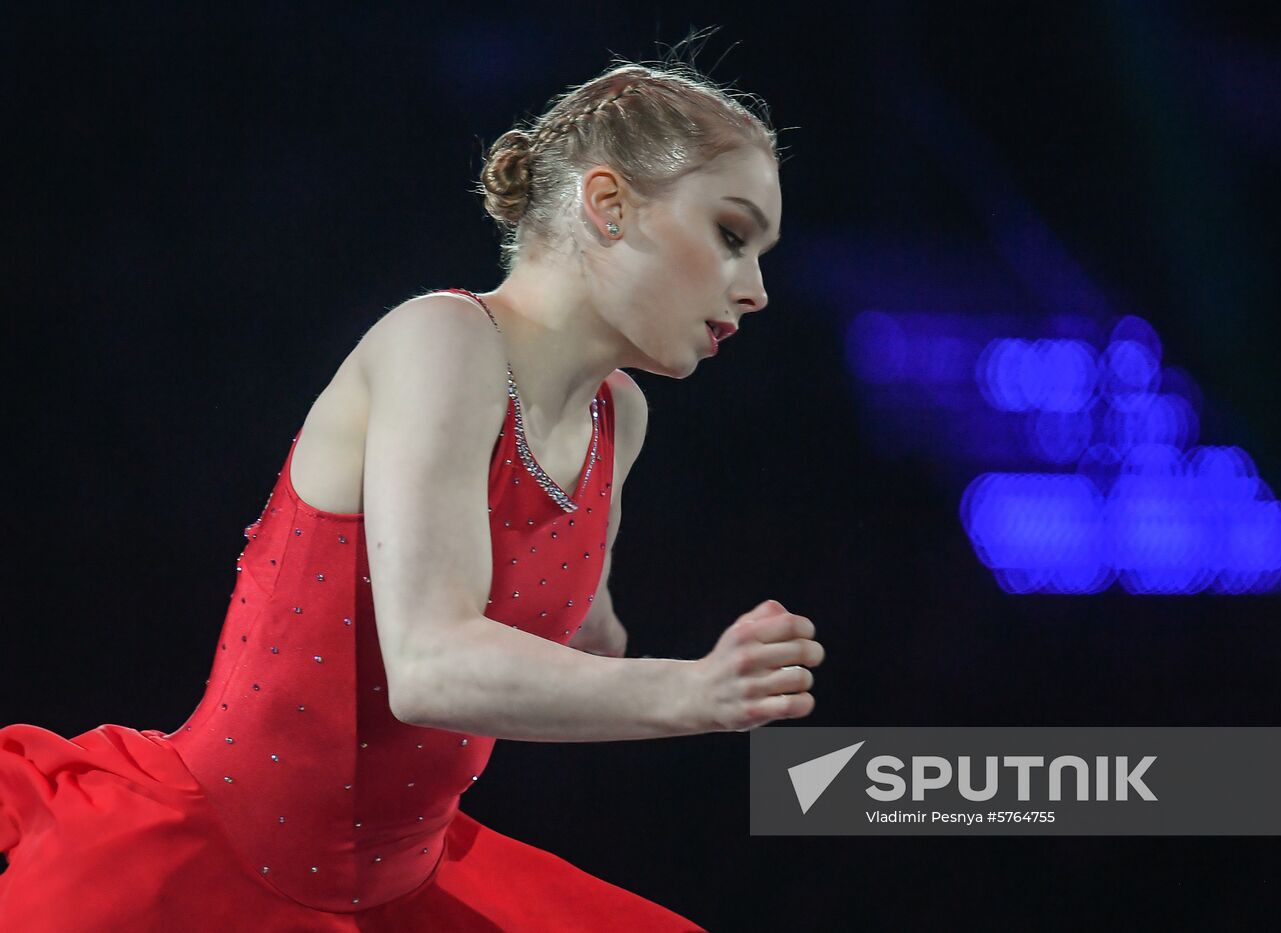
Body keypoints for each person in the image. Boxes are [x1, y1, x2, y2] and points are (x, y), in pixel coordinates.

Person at [0, 46, 823, 932]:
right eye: (733, 236)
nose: (758, 290)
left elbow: (579, 642)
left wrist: (699, 664)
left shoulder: (618, 417)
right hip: (202, 878)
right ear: (610, 205)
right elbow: (430, 667)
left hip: (404, 884)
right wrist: (692, 691)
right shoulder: (442, 339)